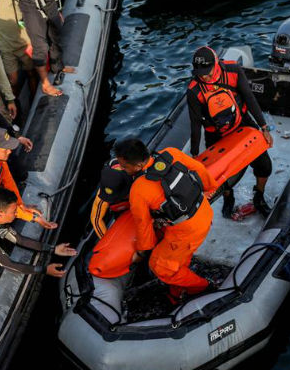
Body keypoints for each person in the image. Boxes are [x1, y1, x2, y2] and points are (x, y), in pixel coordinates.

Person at [115, 138, 216, 303]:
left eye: (125, 166)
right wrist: (210, 188)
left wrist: (142, 251)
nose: (123, 169)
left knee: (159, 266)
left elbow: (143, 224)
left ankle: (202, 287)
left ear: (139, 166)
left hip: (188, 231)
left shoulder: (139, 190)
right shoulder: (170, 153)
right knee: (177, 258)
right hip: (204, 211)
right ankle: (176, 292)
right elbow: (198, 168)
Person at [187, 46, 274, 218]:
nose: (205, 76)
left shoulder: (233, 71)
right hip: (217, 135)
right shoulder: (194, 90)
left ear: (216, 63)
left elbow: (249, 97)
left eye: (208, 71)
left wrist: (264, 127)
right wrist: (194, 155)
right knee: (224, 178)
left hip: (243, 124)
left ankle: (259, 196)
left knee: (265, 166)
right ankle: (228, 198)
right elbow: (195, 124)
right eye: (200, 72)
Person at [4, 0, 74, 97]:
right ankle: (45, 84)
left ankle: (57, 66)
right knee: (40, 45)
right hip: (30, 6)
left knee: (55, 35)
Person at [90, 159, 132, 238]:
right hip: (122, 213)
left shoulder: (138, 173)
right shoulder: (102, 195)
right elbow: (96, 219)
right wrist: (107, 239)